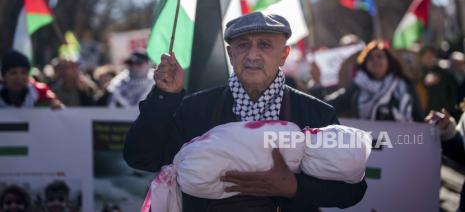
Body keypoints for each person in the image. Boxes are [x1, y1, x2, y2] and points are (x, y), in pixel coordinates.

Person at [124, 12, 367, 211]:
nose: (252, 55)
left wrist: (293, 187)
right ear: (230, 54)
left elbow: (352, 191)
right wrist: (166, 96)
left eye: (264, 44)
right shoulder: (195, 108)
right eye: (242, 45)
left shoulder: (317, 114)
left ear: (284, 55)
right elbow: (141, 157)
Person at [322, 40, 424, 122]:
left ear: (389, 61)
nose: (376, 60)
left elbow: (418, 117)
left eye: (380, 56)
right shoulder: (357, 87)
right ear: (365, 65)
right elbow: (330, 106)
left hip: (403, 142)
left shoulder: (405, 85)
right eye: (370, 58)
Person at [418, 46, 459, 119]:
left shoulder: (445, 74)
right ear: (421, 59)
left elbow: (453, 94)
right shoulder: (416, 75)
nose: (429, 60)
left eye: (431, 56)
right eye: (426, 57)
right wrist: (424, 83)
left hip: (443, 115)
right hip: (423, 116)